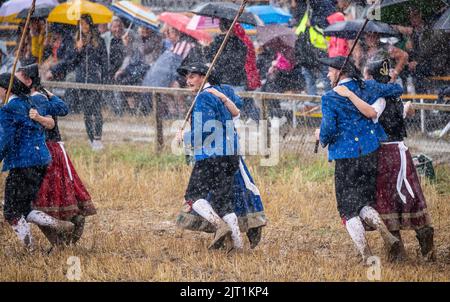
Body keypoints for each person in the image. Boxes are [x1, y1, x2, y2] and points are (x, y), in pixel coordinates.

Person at [333, 56, 436, 262]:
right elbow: (396, 113)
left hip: (386, 153)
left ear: (370, 76)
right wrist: (405, 109)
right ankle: (408, 246)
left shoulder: (376, 97)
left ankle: (407, 248)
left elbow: (371, 114)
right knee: (406, 197)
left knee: (389, 200)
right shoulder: (390, 94)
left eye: (365, 76)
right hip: (398, 152)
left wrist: (346, 96)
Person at [315, 56, 405, 264]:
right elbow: (397, 89)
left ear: (339, 72)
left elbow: (328, 129)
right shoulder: (368, 86)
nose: (329, 74)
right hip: (369, 153)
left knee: (347, 209)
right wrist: (368, 91)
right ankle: (384, 231)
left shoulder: (330, 97)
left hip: (345, 156)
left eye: (330, 71)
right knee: (363, 202)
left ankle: (366, 254)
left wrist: (320, 136)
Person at [176, 63, 267, 250]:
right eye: (187, 77)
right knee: (221, 202)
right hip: (231, 155)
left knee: (192, 196)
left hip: (211, 155)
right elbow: (238, 105)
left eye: (192, 76)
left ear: (204, 76)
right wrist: (222, 93)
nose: (188, 81)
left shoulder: (203, 98)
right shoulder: (224, 91)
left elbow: (205, 131)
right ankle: (238, 247)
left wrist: (183, 137)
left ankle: (220, 227)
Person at [16, 64, 97, 246]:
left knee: (40, 201)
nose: (15, 83)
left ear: (28, 81)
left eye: (18, 79)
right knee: (58, 192)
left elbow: (53, 120)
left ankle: (60, 239)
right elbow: (63, 108)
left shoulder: (36, 99)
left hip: (44, 150)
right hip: (55, 149)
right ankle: (69, 228)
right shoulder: (42, 95)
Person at [0, 72, 72, 250]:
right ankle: (57, 224)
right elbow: (60, 109)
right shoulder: (33, 100)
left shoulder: (9, 109)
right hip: (41, 161)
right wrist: (48, 93)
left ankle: (29, 248)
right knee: (24, 208)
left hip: (23, 163)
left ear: (4, 89)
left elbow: (5, 140)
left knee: (10, 211)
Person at [48, 14, 108, 151]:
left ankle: (98, 138)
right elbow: (71, 61)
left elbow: (104, 61)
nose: (83, 26)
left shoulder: (99, 40)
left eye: (85, 23)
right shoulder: (75, 41)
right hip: (81, 80)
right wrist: (78, 50)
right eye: (81, 24)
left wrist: (104, 79)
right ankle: (91, 139)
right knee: (87, 111)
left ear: (90, 24)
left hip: (95, 80)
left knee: (96, 110)